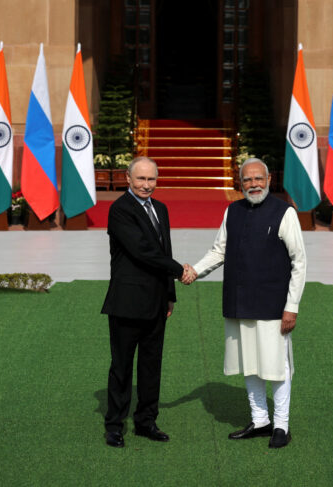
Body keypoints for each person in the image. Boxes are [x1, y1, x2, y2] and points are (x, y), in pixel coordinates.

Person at [184, 158, 306, 449]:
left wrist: (292, 306)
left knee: (277, 367)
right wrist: (194, 271)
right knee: (249, 363)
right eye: (248, 180)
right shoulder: (233, 211)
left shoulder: (285, 212)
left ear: (269, 180)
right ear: (240, 184)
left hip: (273, 306)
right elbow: (219, 251)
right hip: (239, 303)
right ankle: (260, 420)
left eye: (258, 179)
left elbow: (299, 262)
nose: (254, 184)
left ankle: (281, 425)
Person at [101, 156, 195, 448]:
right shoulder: (119, 210)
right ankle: (114, 425)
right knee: (122, 367)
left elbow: (164, 250)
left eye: (151, 179)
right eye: (140, 179)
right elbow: (142, 251)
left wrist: (170, 295)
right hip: (127, 303)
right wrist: (180, 270)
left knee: (151, 366)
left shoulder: (161, 209)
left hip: (156, 302)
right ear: (128, 178)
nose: (146, 185)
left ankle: (146, 421)